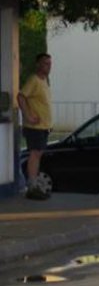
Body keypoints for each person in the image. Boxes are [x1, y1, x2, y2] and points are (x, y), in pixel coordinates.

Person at [17, 53, 53, 200]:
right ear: (38, 64)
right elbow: (21, 96)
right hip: (34, 127)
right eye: (45, 63)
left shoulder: (45, 81)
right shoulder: (34, 80)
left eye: (50, 63)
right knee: (34, 154)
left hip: (44, 127)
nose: (48, 66)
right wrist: (28, 115)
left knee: (38, 155)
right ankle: (31, 186)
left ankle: (34, 184)